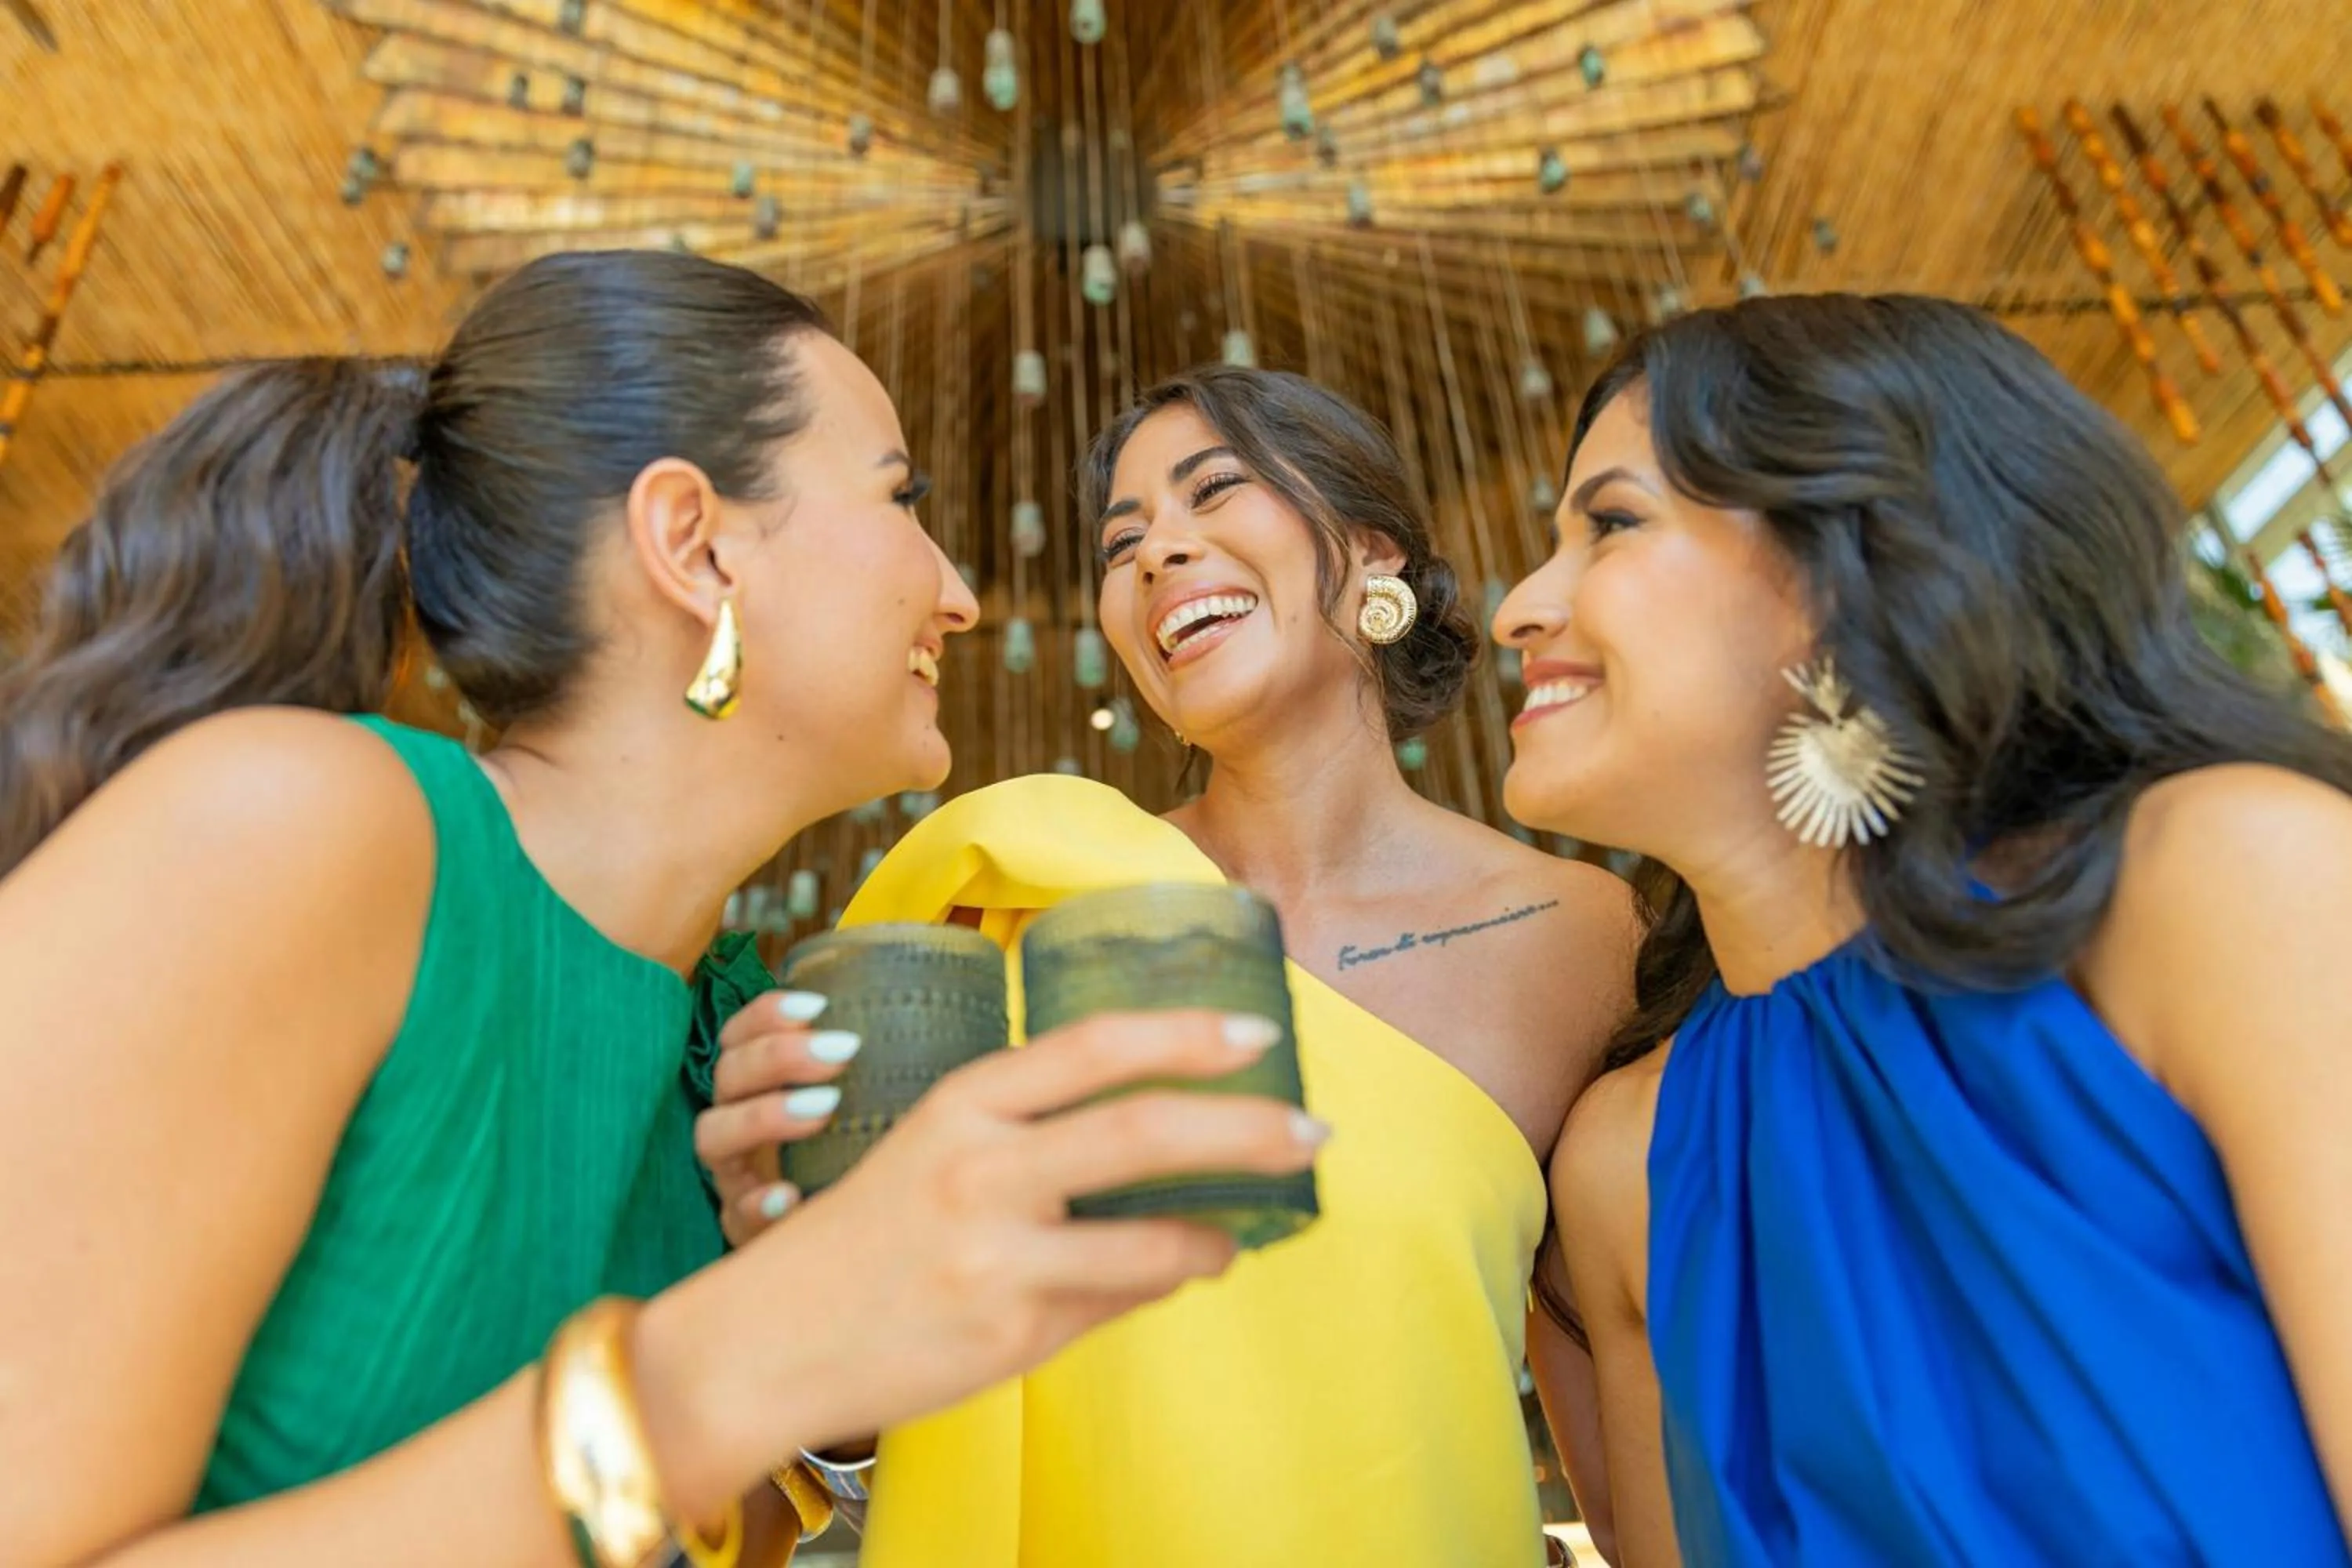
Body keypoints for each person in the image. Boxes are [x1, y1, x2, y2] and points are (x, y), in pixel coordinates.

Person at [0, 250, 1327, 1568]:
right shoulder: (290, 826)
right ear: (691, 543)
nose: (960, 596)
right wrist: (745, 1349)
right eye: (898, 497)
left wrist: (831, 1382)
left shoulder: (733, 1063)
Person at [702, 366, 1637, 1566]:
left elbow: (1623, 1454)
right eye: (1121, 542)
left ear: (1374, 554)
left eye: (1216, 493)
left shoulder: (1587, 941)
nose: (1156, 556)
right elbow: (883, 1425)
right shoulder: (1012, 895)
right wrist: (798, 1280)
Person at [1497, 292, 2352, 1565]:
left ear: (1846, 565)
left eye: (1611, 525)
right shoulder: (1624, 1169)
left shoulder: (2223, 883)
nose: (1521, 605)